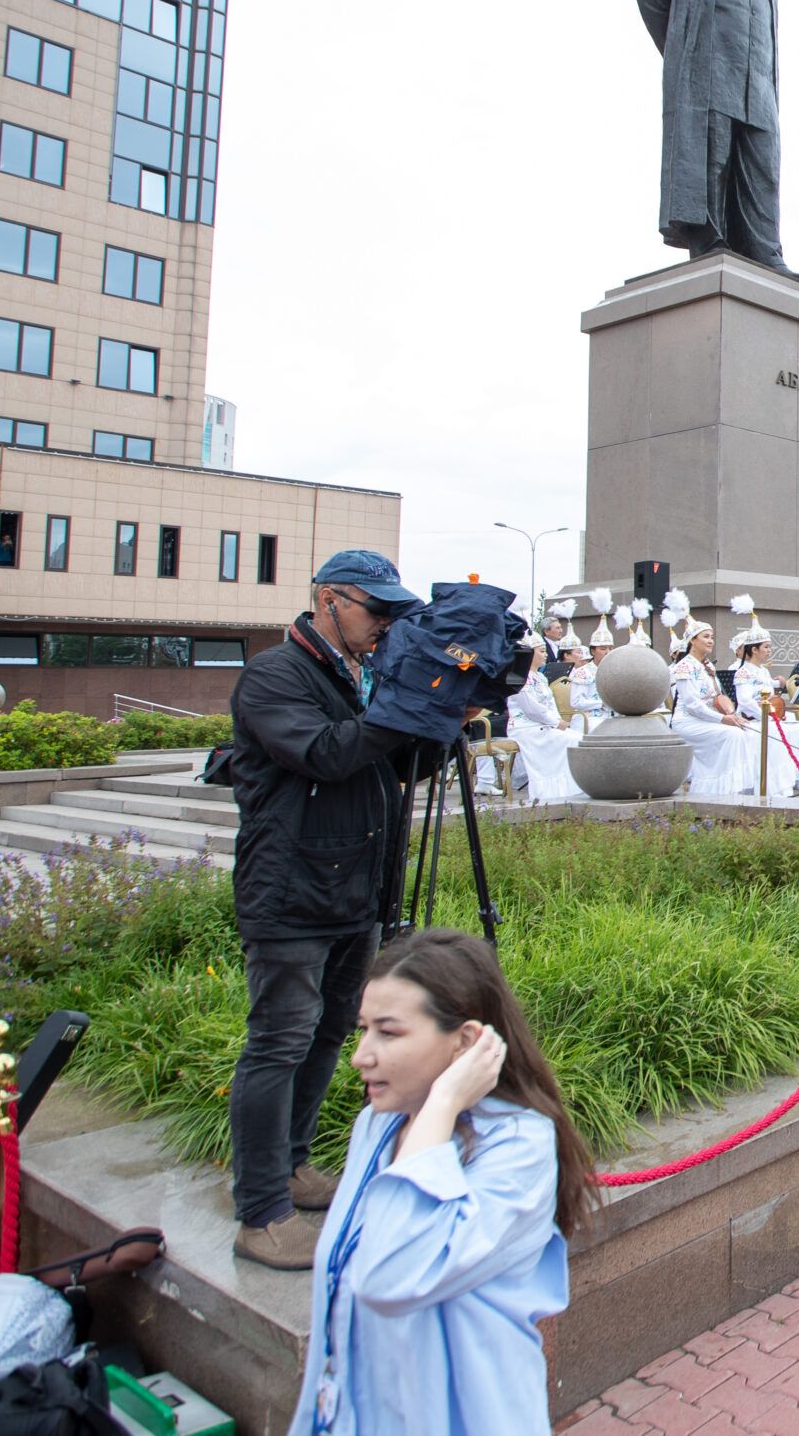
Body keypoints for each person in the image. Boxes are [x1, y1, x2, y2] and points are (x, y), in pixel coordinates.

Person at [297, 930, 591, 1435]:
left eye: (389, 1033)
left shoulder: (519, 1147)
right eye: (362, 1029)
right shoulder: (378, 1124)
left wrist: (442, 1104)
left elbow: (390, 1277)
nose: (360, 1056)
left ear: (466, 1041)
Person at [225, 549, 424, 1269]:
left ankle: (291, 1164)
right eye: (375, 610)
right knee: (278, 1040)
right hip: (290, 893)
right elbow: (327, 752)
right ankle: (260, 1211)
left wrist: (442, 714)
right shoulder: (275, 674)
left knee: (328, 1032)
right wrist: (402, 705)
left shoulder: (359, 676)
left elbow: (391, 765)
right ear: (329, 600)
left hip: (350, 888)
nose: (381, 626)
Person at [636, 0, 799, 276]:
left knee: (760, 167)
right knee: (709, 159)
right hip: (707, 72)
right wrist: (684, 52)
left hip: (758, 87)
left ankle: (765, 249)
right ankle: (706, 236)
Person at [667, 613, 752, 795]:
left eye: (712, 637)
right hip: (687, 722)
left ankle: (734, 787)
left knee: (746, 731)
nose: (710, 641)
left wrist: (732, 715)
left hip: (709, 718)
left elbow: (719, 696)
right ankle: (722, 789)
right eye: (706, 637)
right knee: (732, 735)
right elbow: (692, 706)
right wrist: (723, 719)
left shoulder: (708, 667)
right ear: (692, 641)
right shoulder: (684, 667)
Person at [728, 621, 799, 796]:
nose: (769, 651)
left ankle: (795, 779)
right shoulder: (742, 672)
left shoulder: (763, 671)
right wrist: (765, 716)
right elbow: (745, 701)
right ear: (754, 649)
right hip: (753, 719)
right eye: (766, 647)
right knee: (775, 732)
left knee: (797, 729)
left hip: (768, 716)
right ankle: (772, 786)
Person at [504, 650, 584, 804]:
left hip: (545, 724)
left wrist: (557, 721)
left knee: (577, 738)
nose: (545, 654)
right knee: (570, 741)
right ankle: (549, 792)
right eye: (541, 650)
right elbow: (530, 708)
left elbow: (550, 704)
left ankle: (571, 790)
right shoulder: (517, 677)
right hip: (525, 727)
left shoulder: (540, 677)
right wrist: (554, 723)